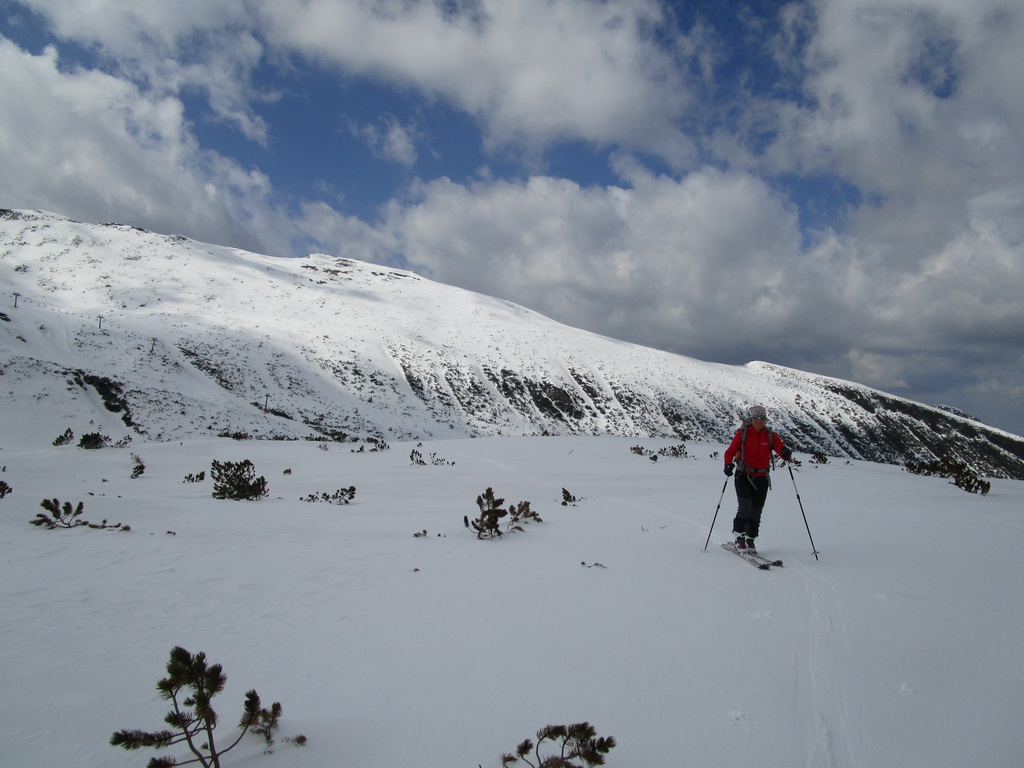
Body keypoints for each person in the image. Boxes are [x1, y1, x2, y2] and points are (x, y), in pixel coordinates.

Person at [723, 405, 793, 553]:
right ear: (752, 419)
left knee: (756, 511)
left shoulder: (770, 436)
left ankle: (750, 539)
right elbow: (730, 452)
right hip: (743, 475)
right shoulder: (743, 433)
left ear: (765, 420)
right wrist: (728, 465)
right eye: (756, 418)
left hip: (762, 478)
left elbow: (781, 450)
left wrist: (786, 453)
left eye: (762, 418)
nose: (759, 421)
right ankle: (739, 537)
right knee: (744, 508)